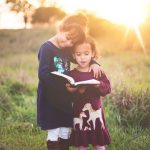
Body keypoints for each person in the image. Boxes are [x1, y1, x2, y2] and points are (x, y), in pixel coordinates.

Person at [37, 13, 102, 150]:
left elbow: (81, 58)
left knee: (65, 130)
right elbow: (43, 74)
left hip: (65, 98)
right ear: (61, 28)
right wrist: (63, 87)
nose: (68, 44)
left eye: (72, 43)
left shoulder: (66, 49)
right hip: (50, 98)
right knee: (54, 130)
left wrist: (95, 63)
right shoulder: (46, 48)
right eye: (67, 38)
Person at [66, 36, 111, 150]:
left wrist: (98, 85)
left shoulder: (97, 71)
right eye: (78, 54)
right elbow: (69, 97)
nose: (82, 58)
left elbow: (108, 88)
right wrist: (76, 90)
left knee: (99, 144)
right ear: (73, 55)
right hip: (79, 115)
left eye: (86, 53)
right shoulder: (72, 74)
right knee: (82, 145)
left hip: (95, 113)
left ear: (92, 53)